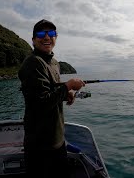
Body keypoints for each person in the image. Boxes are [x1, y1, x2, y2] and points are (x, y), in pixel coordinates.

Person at [18, 19, 85, 177]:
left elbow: (50, 91)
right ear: (33, 40)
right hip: (39, 146)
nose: (47, 37)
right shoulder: (33, 63)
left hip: (57, 139)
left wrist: (65, 94)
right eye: (41, 33)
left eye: (51, 33)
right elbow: (40, 102)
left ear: (56, 37)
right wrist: (68, 86)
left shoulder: (54, 63)